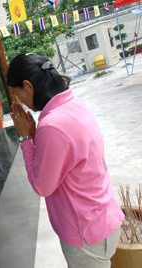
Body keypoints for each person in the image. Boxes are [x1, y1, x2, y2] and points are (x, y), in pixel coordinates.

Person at [7, 53, 124, 267]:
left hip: (85, 233)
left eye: (17, 93)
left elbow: (42, 186)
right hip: (101, 216)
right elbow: (65, 157)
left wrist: (25, 138)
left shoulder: (52, 125)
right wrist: (34, 134)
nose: (19, 101)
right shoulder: (71, 104)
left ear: (28, 85)